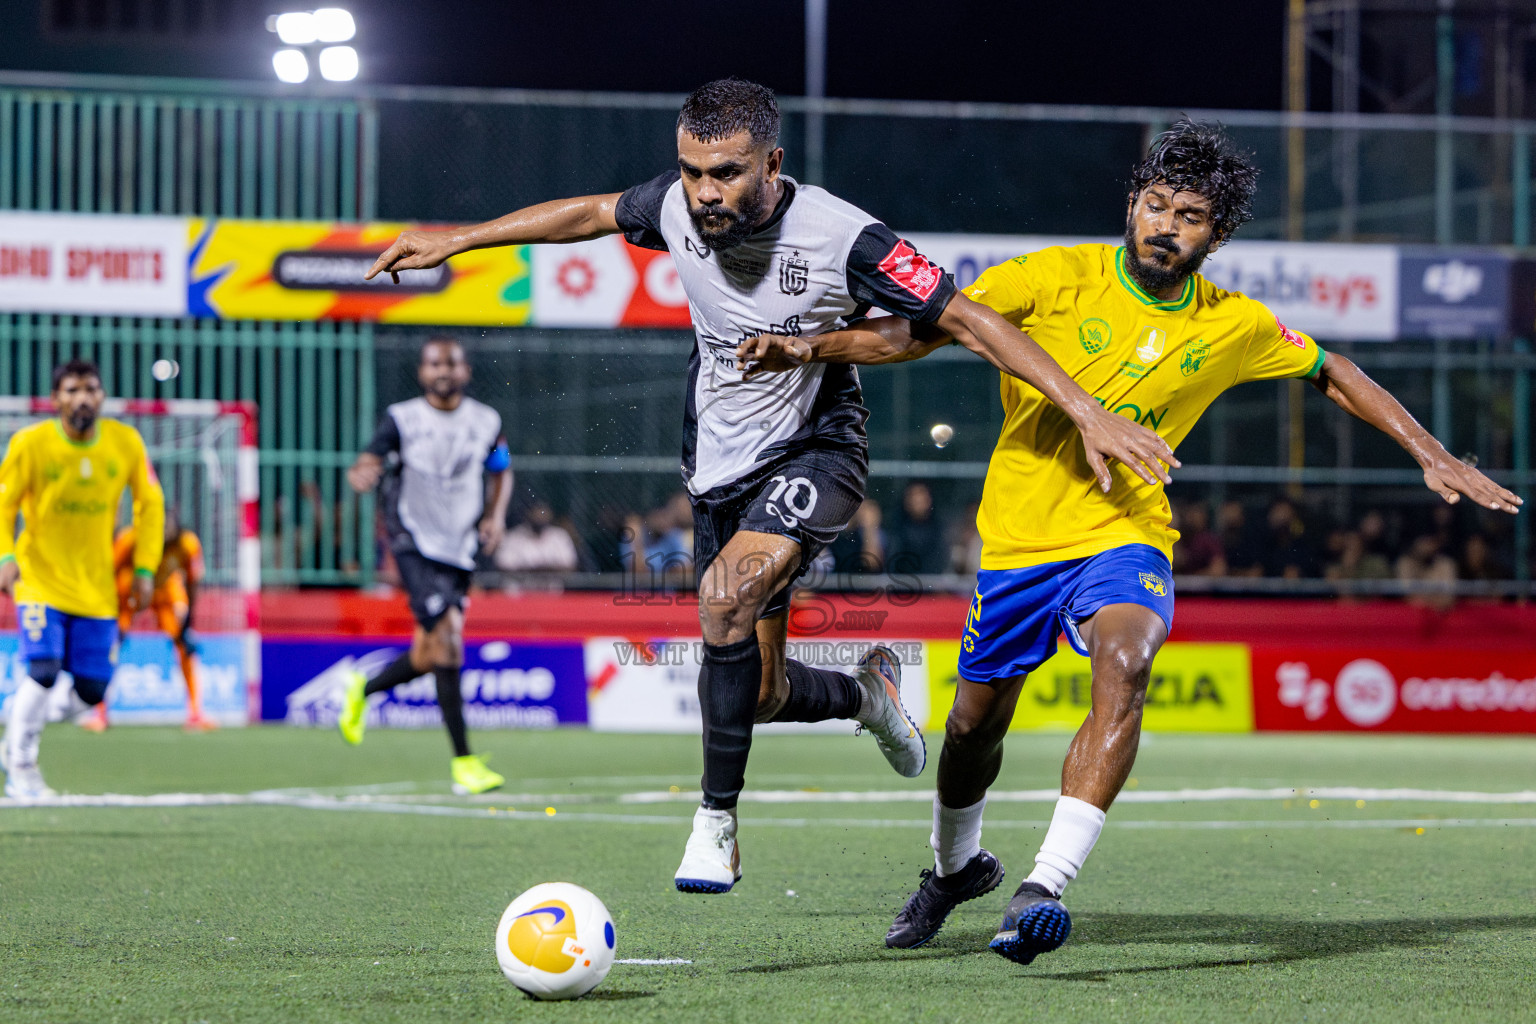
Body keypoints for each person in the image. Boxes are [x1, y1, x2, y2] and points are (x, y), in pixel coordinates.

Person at [739, 119, 1523, 962]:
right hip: (1017, 545)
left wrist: (1432, 452)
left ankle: (1044, 884)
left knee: (1128, 662)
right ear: (1132, 204)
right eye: (1155, 205)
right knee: (972, 729)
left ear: (1215, 235)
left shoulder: (1234, 325)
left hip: (1128, 535)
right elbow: (915, 333)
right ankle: (954, 868)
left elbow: (1330, 369)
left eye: (1188, 216)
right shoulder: (1054, 276)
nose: (1165, 225)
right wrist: (809, 345)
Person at [368, 78, 1174, 894]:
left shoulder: (845, 236)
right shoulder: (675, 207)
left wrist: (1085, 412)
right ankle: (867, 697)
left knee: (723, 598)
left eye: (725, 173)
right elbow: (587, 213)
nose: (705, 192)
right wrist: (458, 240)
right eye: (691, 172)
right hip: (719, 465)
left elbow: (965, 319)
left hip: (818, 448)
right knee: (755, 692)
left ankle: (716, 823)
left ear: (772, 163)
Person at [338, 337, 513, 796]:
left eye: (452, 363)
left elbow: (501, 468)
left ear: (465, 372)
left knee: (428, 652)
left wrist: (494, 516)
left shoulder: (486, 420)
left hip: (461, 544)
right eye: (435, 363)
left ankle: (362, 689)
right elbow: (370, 457)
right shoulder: (403, 418)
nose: (444, 370)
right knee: (450, 642)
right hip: (413, 539)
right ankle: (464, 764)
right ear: (422, 372)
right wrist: (363, 470)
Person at [0, 359, 166, 799]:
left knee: (91, 691)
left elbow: (150, 505)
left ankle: (20, 723)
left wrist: (146, 567)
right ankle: (21, 766)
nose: (82, 398)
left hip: (96, 588)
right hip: (39, 579)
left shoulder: (124, 443)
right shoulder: (30, 444)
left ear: (102, 396)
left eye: (90, 388)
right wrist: (5, 554)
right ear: (56, 400)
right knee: (44, 669)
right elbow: (4, 503)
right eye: (72, 390)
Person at [84, 507, 212, 732]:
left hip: (164, 591)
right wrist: (110, 617)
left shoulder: (187, 545)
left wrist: (187, 623)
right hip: (129, 592)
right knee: (111, 645)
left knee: (185, 645)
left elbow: (192, 584)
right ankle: (100, 713)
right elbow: (107, 575)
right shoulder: (129, 539)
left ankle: (195, 713)